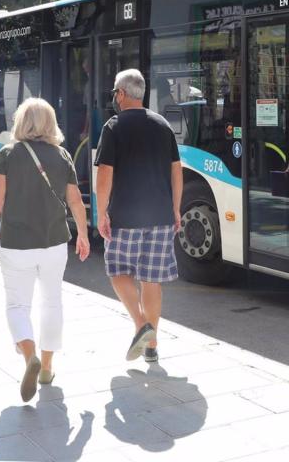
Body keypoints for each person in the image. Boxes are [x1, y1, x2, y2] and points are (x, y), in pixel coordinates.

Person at [0, 97, 90, 402]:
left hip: (16, 244)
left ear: (21, 122)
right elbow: (75, 200)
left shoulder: (8, 154)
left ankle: (29, 358)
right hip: (55, 242)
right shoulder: (62, 155)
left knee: (17, 306)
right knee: (52, 303)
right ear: (50, 123)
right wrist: (84, 235)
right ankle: (47, 367)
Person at [94, 69, 183, 364]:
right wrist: (176, 209)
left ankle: (141, 325)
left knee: (118, 272)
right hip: (160, 215)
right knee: (151, 281)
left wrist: (101, 211)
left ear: (121, 94)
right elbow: (176, 171)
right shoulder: (162, 125)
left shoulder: (113, 126)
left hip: (126, 215)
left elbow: (105, 175)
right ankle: (152, 346)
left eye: (114, 94)